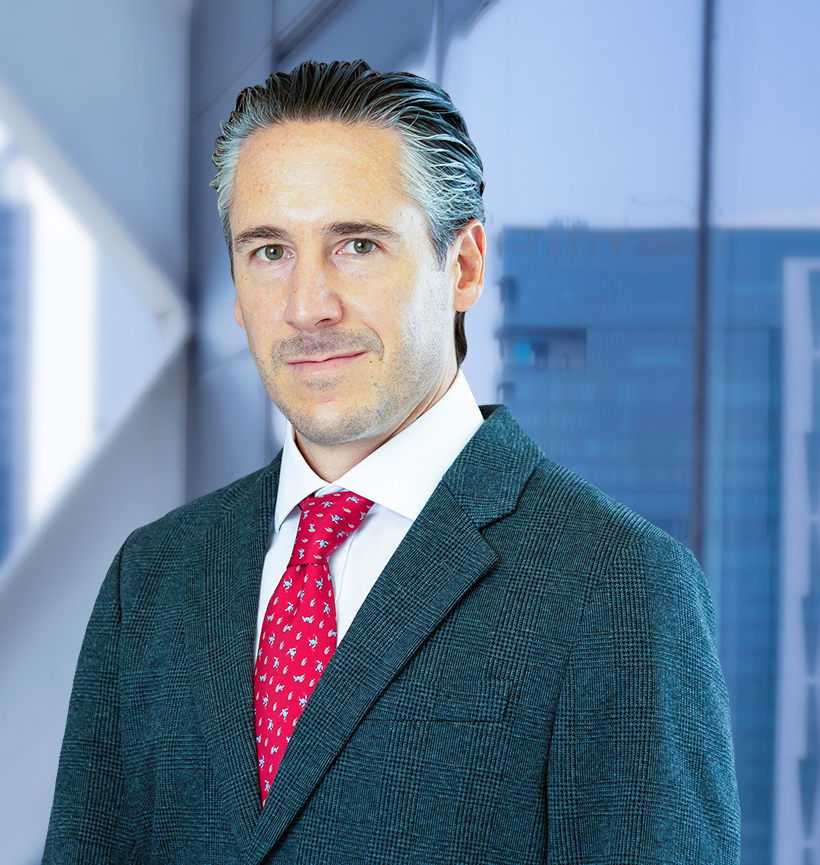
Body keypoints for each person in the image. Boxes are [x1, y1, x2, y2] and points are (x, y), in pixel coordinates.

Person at [44, 60, 740, 864]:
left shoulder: (617, 586)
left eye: (358, 245)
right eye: (269, 250)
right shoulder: (153, 578)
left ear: (464, 266)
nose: (307, 305)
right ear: (234, 283)